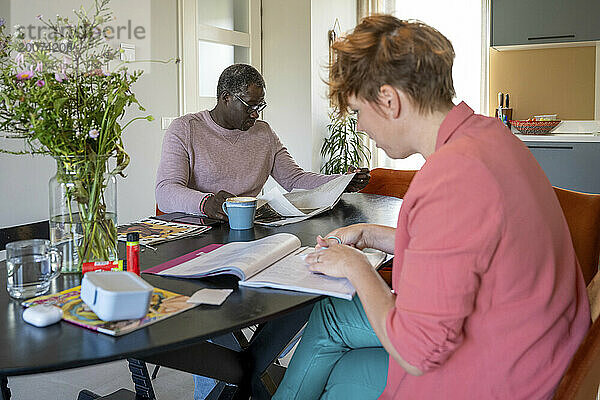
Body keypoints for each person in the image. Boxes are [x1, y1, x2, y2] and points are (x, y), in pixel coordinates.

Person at [273, 15, 590, 399]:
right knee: (340, 370)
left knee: (333, 352)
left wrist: (356, 267)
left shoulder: (450, 178)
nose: (360, 127)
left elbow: (417, 351)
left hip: (502, 376)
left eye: (358, 112)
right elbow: (470, 245)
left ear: (389, 100)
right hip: (538, 350)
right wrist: (371, 234)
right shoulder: (488, 136)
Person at [156, 63, 370, 220]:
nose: (255, 114)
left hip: (247, 228)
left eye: (260, 107)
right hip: (199, 228)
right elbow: (165, 192)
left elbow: (294, 179)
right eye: (250, 106)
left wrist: (341, 182)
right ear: (226, 98)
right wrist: (206, 203)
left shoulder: (263, 133)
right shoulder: (186, 129)